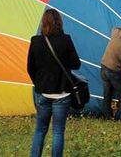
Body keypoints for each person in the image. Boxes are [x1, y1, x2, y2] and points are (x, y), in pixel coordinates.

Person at [27, 8, 81, 157]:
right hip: (61, 93)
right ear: (59, 23)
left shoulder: (35, 41)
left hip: (42, 92)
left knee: (40, 130)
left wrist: (39, 83)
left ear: (43, 23)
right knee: (58, 131)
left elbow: (30, 68)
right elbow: (76, 64)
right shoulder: (66, 40)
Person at [100, 21, 121, 121]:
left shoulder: (115, 32)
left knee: (107, 94)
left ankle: (107, 116)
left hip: (103, 66)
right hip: (114, 70)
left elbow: (116, 27)